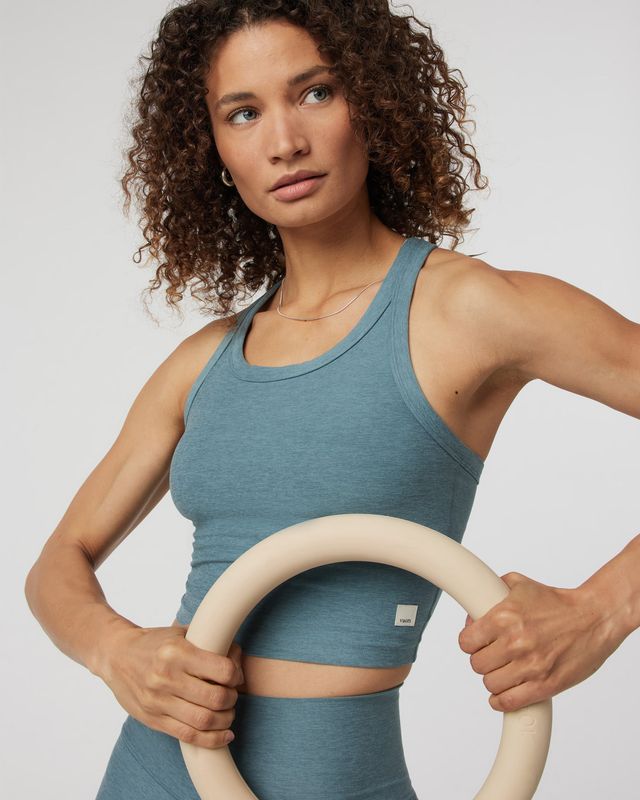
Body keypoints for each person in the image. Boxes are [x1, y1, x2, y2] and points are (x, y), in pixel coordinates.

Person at [24, 2, 640, 799]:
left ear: (373, 103)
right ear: (213, 151)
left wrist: (602, 610)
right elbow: (56, 564)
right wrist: (118, 652)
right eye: (243, 113)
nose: (284, 141)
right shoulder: (203, 362)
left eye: (315, 92)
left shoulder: (466, 311)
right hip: (152, 773)